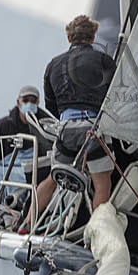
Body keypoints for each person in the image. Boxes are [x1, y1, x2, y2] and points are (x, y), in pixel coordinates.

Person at [34, 14, 118, 215]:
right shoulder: (104, 60)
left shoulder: (54, 64)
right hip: (93, 130)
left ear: (69, 38)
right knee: (102, 184)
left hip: (66, 130)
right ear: (92, 37)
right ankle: (94, 235)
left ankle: (27, 222)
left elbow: (51, 104)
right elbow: (116, 98)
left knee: (52, 179)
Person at [0, 85, 51, 167]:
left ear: (38, 103)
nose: (29, 104)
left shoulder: (46, 127)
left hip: (36, 172)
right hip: (7, 174)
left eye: (33, 101)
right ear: (18, 102)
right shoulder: (3, 126)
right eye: (25, 100)